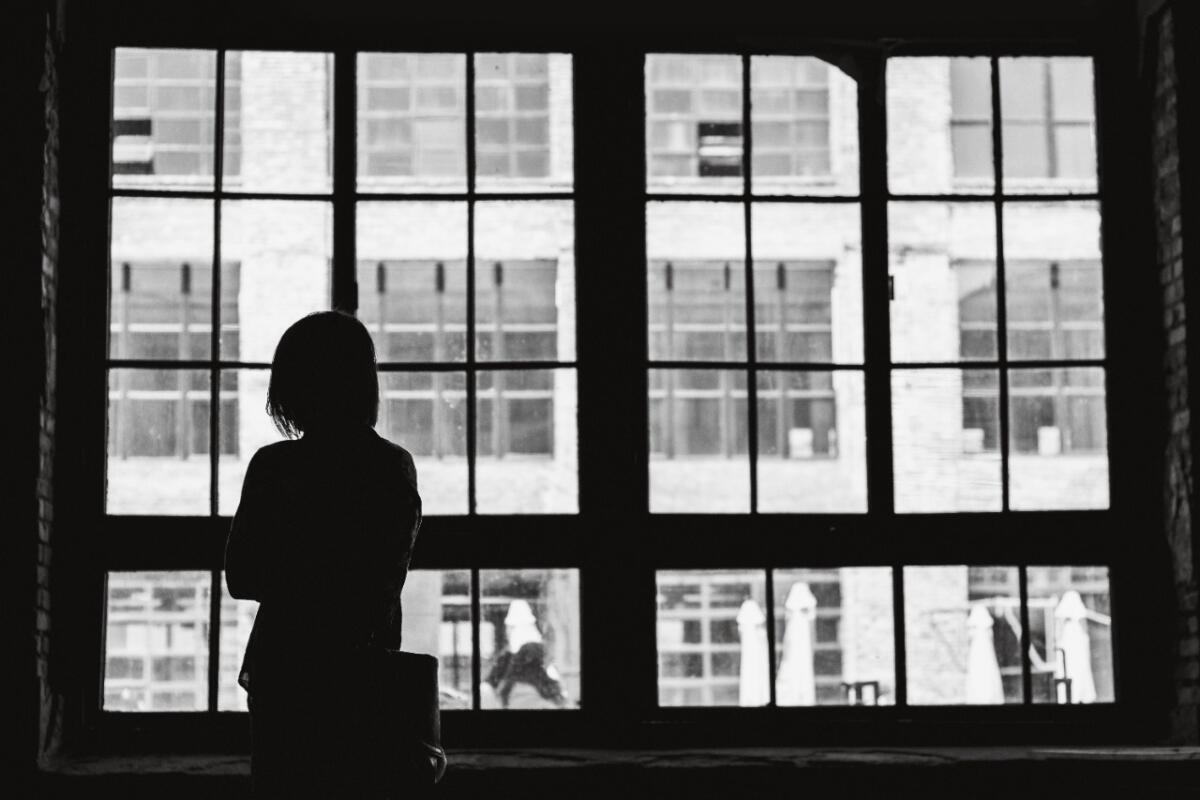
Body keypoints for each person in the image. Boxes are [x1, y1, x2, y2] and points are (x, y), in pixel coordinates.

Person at [224, 311, 423, 798]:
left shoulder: (274, 467)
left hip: (285, 671)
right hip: (363, 674)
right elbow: (379, 582)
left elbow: (242, 577)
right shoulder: (389, 468)